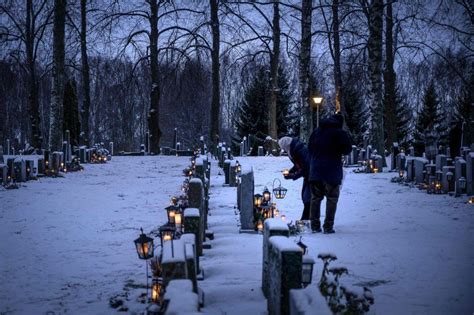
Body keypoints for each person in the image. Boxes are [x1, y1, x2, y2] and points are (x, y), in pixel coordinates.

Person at [308, 113, 352, 233]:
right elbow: (348, 149)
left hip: (316, 170)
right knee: (332, 198)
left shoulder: (317, 131)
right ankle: (328, 226)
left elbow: (310, 148)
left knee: (316, 198)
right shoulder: (339, 133)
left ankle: (314, 226)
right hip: (332, 171)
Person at [278, 136, 311, 220]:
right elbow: (298, 164)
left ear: (286, 145)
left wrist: (293, 176)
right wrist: (290, 171)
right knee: (305, 197)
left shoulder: (299, 150)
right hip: (308, 175)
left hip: (312, 175)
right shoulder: (293, 149)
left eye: (282, 147)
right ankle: (306, 219)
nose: (283, 150)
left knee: (308, 199)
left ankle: (306, 220)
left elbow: (306, 167)